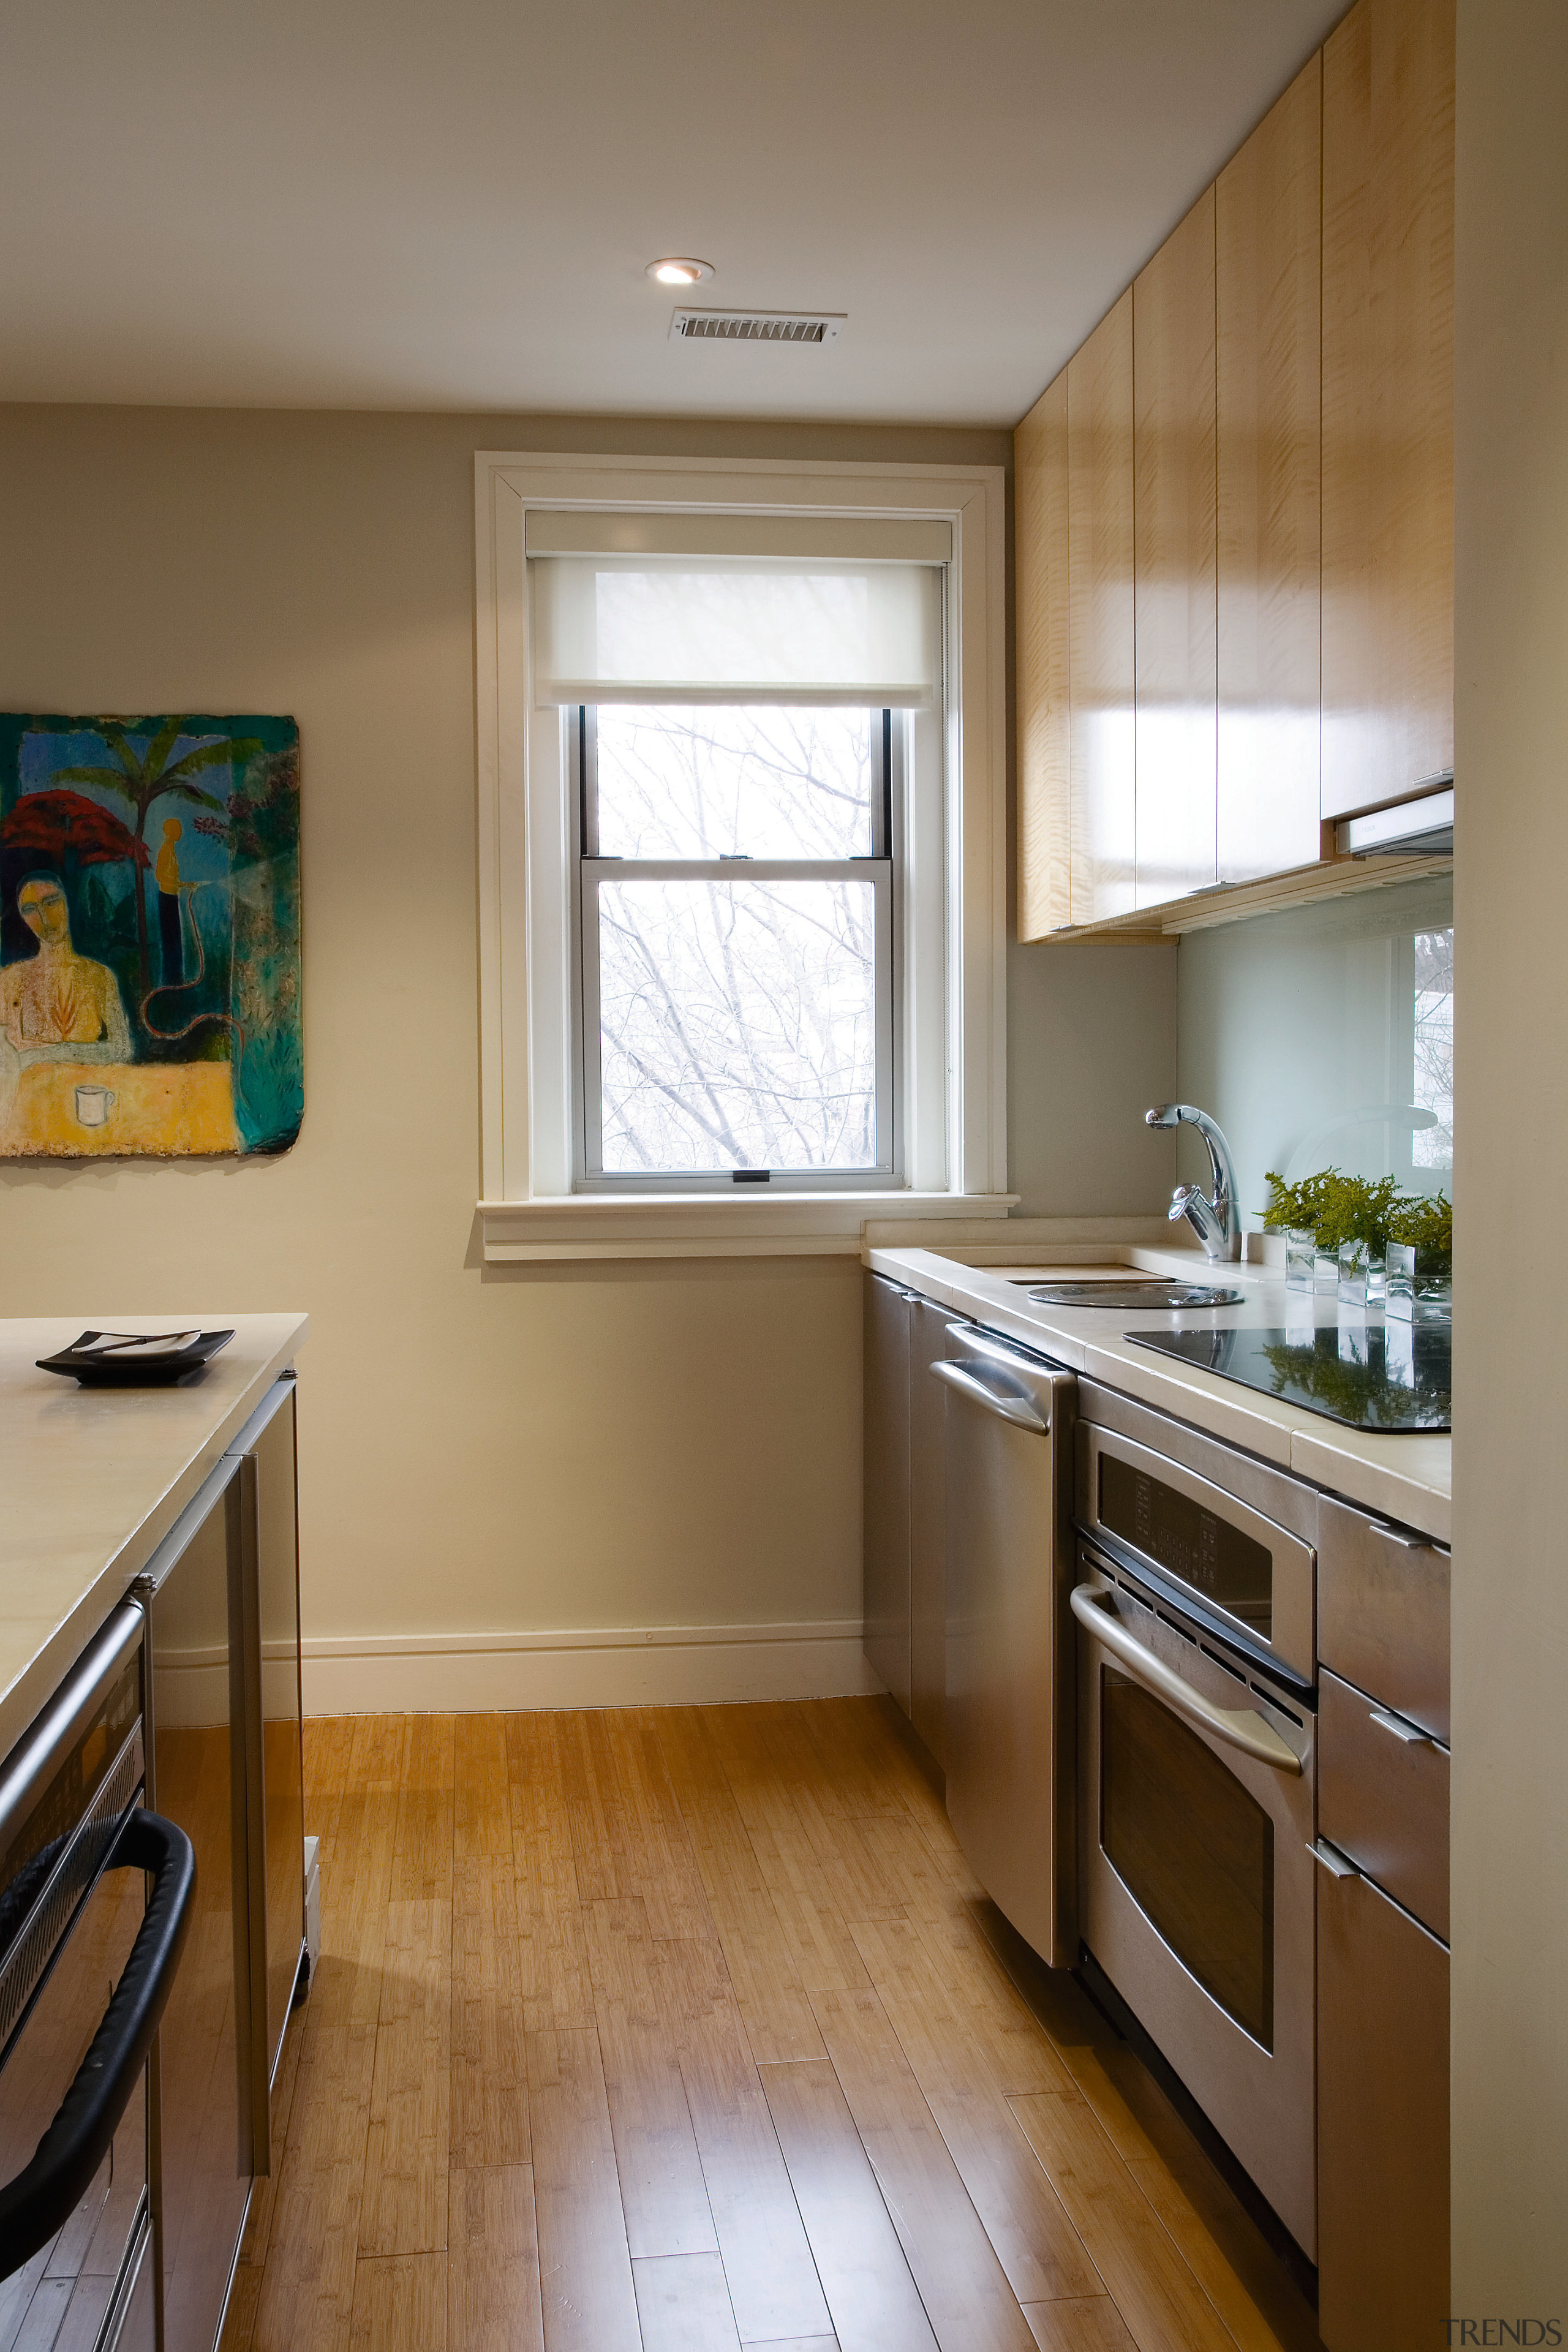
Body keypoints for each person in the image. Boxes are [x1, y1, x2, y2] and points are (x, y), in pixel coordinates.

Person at [0, 874, 132, 1062]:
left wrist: (44, 1054)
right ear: (23, 918)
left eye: (51, 902)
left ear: (67, 903)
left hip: (86, 1088)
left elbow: (122, 1049)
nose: (44, 918)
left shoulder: (100, 976)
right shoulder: (8, 980)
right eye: (30, 909)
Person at [155, 816, 184, 986]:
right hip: (167, 898)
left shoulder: (171, 851)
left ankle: (176, 978)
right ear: (171, 832)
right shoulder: (165, 851)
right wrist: (175, 883)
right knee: (170, 939)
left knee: (175, 939)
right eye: (177, 829)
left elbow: (170, 876)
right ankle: (171, 980)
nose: (180, 832)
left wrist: (184, 884)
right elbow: (160, 875)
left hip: (172, 896)